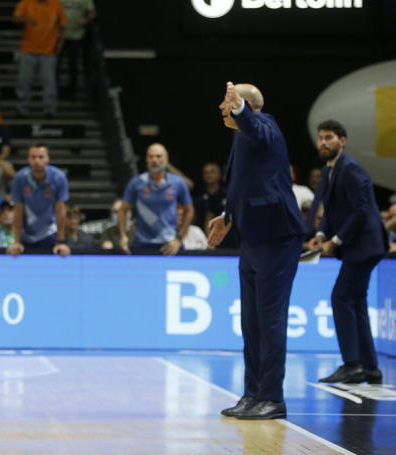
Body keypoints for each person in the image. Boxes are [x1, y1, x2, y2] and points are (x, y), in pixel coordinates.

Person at [208, 82, 305, 420]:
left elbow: (255, 128)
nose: (222, 108)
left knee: (270, 320)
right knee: (251, 322)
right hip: (252, 238)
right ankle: (252, 393)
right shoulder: (242, 138)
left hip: (277, 237)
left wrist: (240, 110)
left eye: (227, 102)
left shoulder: (265, 126)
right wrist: (227, 217)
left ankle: (272, 398)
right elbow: (242, 184)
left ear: (246, 105)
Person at [306, 120, 388, 384]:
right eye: (320, 138)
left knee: (341, 297)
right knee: (355, 301)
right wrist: (321, 235)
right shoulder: (331, 169)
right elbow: (332, 210)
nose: (323, 143)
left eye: (329, 137)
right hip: (361, 245)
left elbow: (362, 212)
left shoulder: (351, 169)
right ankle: (369, 367)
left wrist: (336, 241)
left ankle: (352, 365)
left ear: (342, 141)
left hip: (365, 245)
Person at [118, 143, 194, 255]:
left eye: (158, 156)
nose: (154, 160)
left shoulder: (178, 182)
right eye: (151, 156)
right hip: (142, 243)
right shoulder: (136, 182)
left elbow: (189, 210)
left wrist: (179, 238)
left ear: (166, 158)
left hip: (170, 243)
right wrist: (123, 236)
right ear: (146, 159)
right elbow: (123, 210)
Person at [7, 144, 70, 257]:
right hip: (26, 234)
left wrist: (61, 241)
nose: (37, 161)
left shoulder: (59, 177)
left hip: (50, 233)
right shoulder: (20, 178)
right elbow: (18, 211)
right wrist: (17, 241)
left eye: (41, 157)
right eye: (33, 157)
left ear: (47, 159)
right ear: (28, 159)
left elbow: (60, 211)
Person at [13, 0, 66, 118]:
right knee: (24, 81)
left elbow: (62, 25)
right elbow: (16, 18)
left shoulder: (56, 4)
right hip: (28, 51)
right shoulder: (26, 3)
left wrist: (60, 43)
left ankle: (50, 110)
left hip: (48, 52)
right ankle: (22, 109)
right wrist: (26, 19)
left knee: (50, 83)